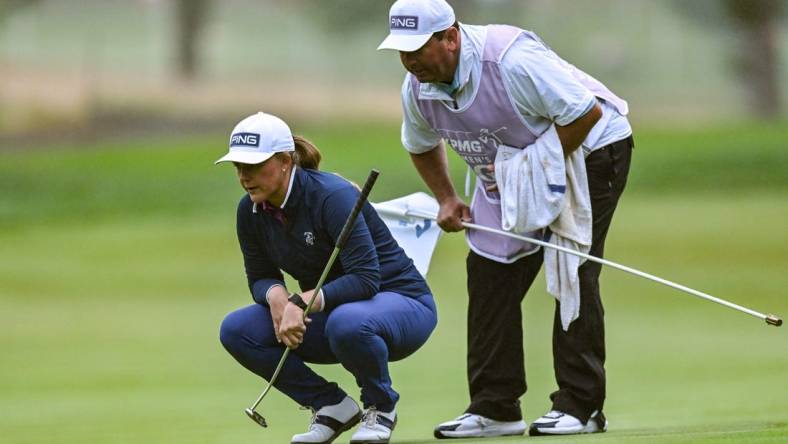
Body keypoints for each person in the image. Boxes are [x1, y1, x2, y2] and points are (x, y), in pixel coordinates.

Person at [378, 0, 633, 438]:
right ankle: (495, 407)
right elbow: (419, 143)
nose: (410, 60)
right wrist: (447, 198)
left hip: (589, 151)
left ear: (451, 37)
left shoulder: (510, 60)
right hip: (506, 172)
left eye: (418, 48)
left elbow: (585, 113)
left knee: (570, 266)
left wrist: (532, 167)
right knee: (488, 269)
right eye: (402, 51)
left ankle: (581, 406)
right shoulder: (416, 86)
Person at [216, 112, 437, 444]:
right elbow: (261, 276)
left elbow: (366, 278)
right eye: (238, 167)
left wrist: (299, 302)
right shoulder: (249, 211)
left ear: (285, 161)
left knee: (347, 321)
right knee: (237, 330)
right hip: (334, 314)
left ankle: (381, 406)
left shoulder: (331, 196)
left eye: (254, 165)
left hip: (402, 305)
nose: (244, 176)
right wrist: (277, 298)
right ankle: (330, 405)